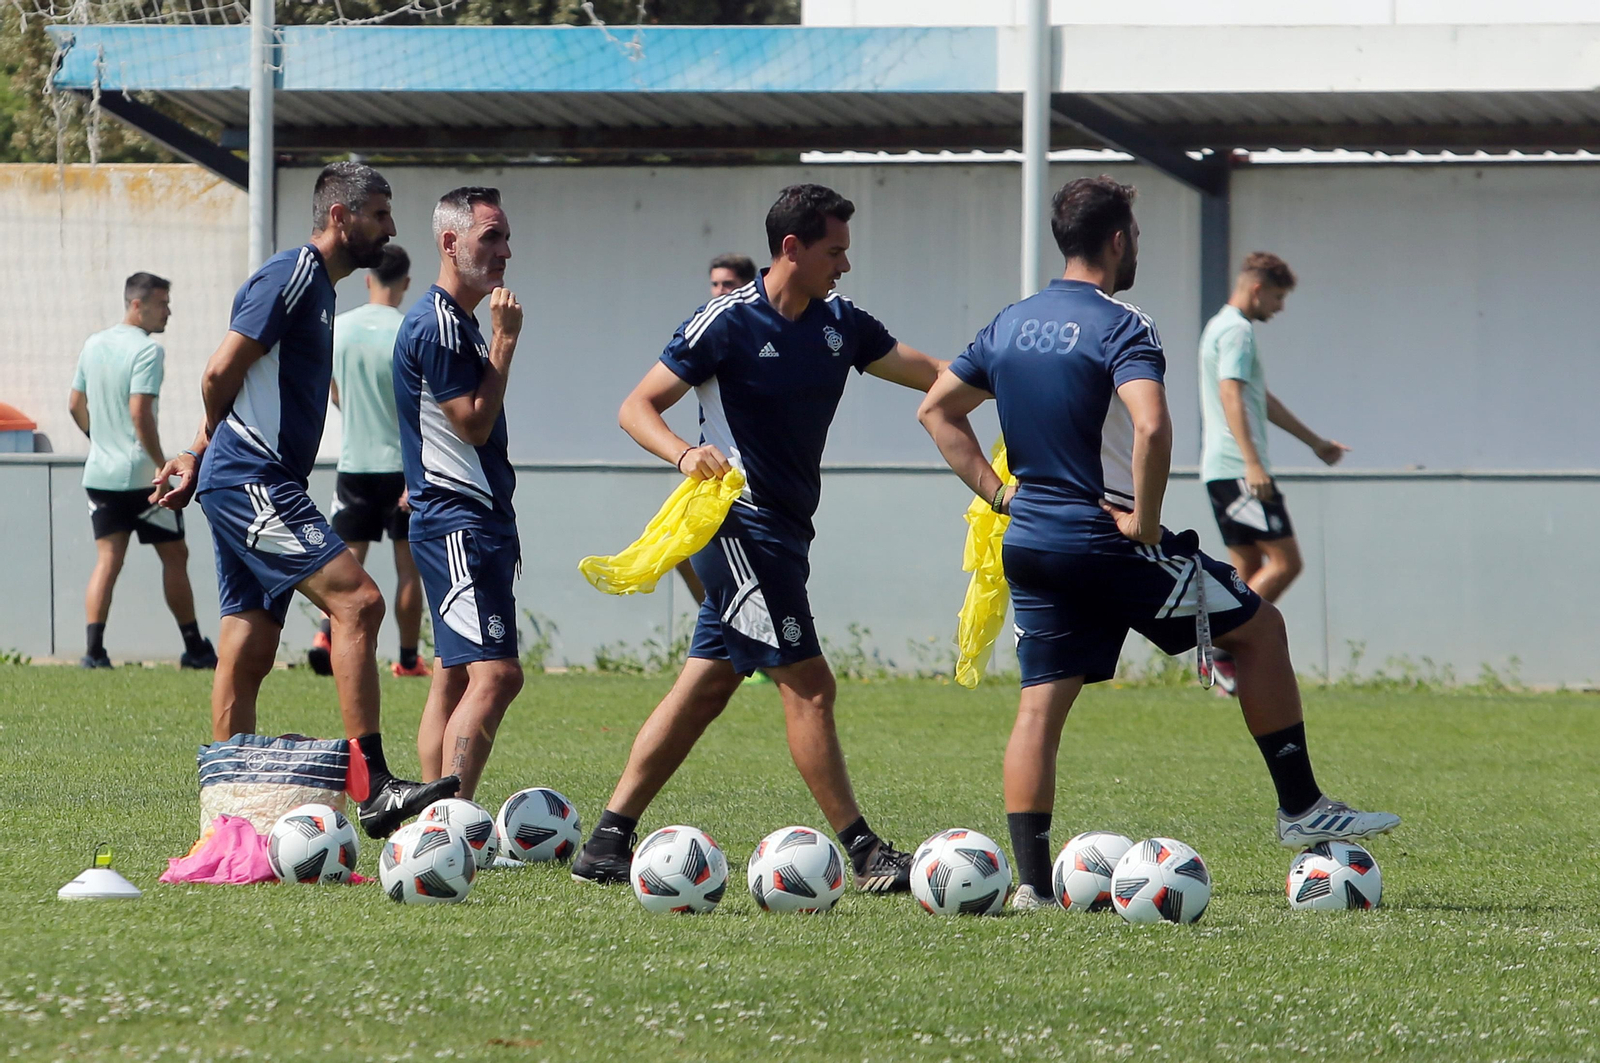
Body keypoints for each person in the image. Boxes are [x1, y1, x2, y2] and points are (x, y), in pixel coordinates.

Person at [917, 176, 1399, 911]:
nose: (1136, 244)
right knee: (1261, 628)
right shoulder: (1123, 324)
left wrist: (1001, 493)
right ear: (1117, 239)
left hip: (1033, 540)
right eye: (1136, 233)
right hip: (1108, 541)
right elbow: (1150, 423)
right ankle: (1300, 804)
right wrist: (1144, 522)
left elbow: (937, 410)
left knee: (1039, 708)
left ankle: (1031, 886)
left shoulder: (1010, 322)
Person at [571, 184, 946, 893]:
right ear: (792, 249)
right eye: (835, 250)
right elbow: (636, 406)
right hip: (736, 525)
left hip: (786, 535)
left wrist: (1005, 378)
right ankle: (866, 853)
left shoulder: (843, 323)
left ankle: (605, 841)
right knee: (810, 685)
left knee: (706, 684)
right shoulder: (727, 321)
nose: (845, 264)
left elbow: (929, 374)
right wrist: (685, 453)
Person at [150, 162, 459, 838]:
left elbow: (240, 383)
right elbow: (217, 371)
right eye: (381, 212)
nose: (392, 226)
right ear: (342, 217)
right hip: (252, 479)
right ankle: (374, 783)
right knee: (360, 601)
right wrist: (209, 455)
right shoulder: (292, 275)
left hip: (246, 475)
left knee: (251, 642)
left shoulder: (321, 291)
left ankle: (226, 819)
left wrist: (199, 455)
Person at [393, 187, 525, 802]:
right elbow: (471, 423)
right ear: (450, 243)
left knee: (451, 678)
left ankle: (432, 816)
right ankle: (451, 823)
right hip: (459, 527)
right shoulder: (442, 324)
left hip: (465, 522)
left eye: (504, 237)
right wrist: (504, 342)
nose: (504, 251)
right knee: (496, 675)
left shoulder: (455, 323)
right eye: (489, 237)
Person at [1198, 252, 1349, 694]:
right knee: (1286, 562)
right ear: (1258, 289)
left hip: (1221, 470)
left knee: (1247, 565)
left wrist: (1314, 442)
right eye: (1279, 298)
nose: (1280, 309)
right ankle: (1224, 650)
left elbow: (1259, 399)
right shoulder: (1238, 331)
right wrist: (1253, 463)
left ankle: (1224, 658)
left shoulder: (1218, 327)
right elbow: (1231, 396)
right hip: (1236, 469)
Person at [68, 272, 216, 670]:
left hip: (100, 474)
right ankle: (194, 647)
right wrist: (160, 464)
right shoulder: (148, 351)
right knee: (174, 556)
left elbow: (74, 404)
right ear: (138, 305)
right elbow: (140, 413)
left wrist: (97, 438)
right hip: (143, 476)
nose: (168, 311)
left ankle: (94, 651)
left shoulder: (93, 343)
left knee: (108, 561)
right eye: (162, 303)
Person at [306, 243, 429, 679]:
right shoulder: (410, 328)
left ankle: (325, 633)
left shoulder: (339, 327)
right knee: (407, 571)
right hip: (402, 471)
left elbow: (331, 391)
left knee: (343, 560)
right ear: (407, 283)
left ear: (366, 278)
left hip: (355, 463)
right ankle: (409, 659)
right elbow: (420, 406)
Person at [671, 253, 760, 606]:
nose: (720, 291)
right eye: (715, 284)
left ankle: (740, 634)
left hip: (749, 481)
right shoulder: (710, 330)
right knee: (679, 552)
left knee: (753, 576)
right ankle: (725, 623)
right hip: (712, 472)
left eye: (729, 284)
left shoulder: (754, 333)